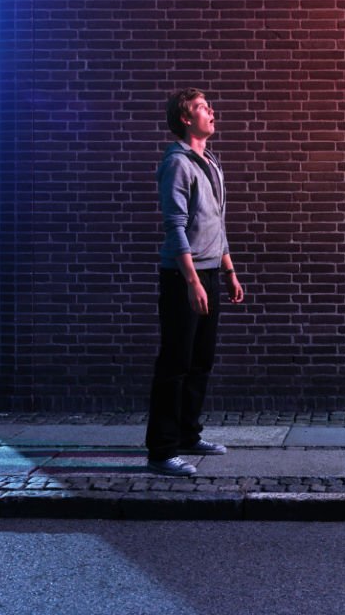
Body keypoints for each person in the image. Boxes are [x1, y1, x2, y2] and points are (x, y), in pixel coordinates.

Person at [146, 88, 244, 477]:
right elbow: (175, 226)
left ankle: (188, 433)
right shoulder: (177, 164)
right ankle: (161, 450)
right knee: (175, 362)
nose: (212, 112)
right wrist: (191, 281)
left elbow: (215, 224)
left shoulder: (210, 162)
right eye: (204, 108)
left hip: (209, 273)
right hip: (182, 277)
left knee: (201, 361)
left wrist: (229, 271)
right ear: (186, 118)